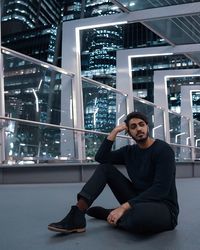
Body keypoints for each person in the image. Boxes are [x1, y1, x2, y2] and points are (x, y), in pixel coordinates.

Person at [48, 111, 179, 234]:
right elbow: (101, 158)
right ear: (129, 132)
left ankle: (110, 214)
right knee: (105, 168)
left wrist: (124, 207)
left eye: (141, 124)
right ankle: (77, 215)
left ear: (147, 127)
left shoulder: (163, 150)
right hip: (136, 199)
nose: (139, 129)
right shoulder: (129, 152)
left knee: (140, 217)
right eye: (133, 127)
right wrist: (114, 132)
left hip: (163, 206)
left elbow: (160, 189)